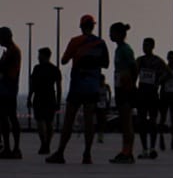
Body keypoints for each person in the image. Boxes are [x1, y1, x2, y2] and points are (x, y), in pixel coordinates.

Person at [49, 15, 109, 164]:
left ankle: (60, 152)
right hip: (93, 86)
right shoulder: (100, 43)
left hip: (77, 86)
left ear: (81, 26)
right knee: (89, 121)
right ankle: (87, 154)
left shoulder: (76, 41)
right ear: (93, 26)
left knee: (69, 119)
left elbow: (64, 60)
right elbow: (106, 64)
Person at [107, 22, 139, 163]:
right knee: (124, 121)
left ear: (119, 34)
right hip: (119, 87)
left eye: (112, 33)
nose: (110, 35)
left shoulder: (126, 50)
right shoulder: (119, 50)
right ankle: (124, 150)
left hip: (126, 89)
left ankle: (128, 152)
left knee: (127, 122)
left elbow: (134, 67)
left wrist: (131, 85)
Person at [134, 38, 166, 159]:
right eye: (143, 45)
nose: (144, 47)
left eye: (147, 45)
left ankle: (152, 147)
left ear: (152, 46)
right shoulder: (140, 60)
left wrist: (159, 81)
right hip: (142, 93)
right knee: (142, 122)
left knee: (152, 121)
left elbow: (167, 73)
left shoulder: (157, 61)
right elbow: (134, 73)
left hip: (152, 94)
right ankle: (144, 149)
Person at [30, 47, 61, 155]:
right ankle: (46, 144)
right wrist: (58, 101)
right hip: (48, 97)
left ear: (44, 56)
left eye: (39, 55)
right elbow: (59, 86)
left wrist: (30, 97)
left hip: (41, 97)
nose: (38, 58)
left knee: (42, 122)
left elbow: (32, 85)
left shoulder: (37, 69)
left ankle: (44, 143)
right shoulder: (54, 69)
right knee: (48, 122)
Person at [0, 27, 22, 159]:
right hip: (7, 88)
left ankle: (13, 148)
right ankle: (10, 148)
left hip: (8, 89)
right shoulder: (10, 51)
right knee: (7, 118)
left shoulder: (12, 51)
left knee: (7, 119)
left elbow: (2, 67)